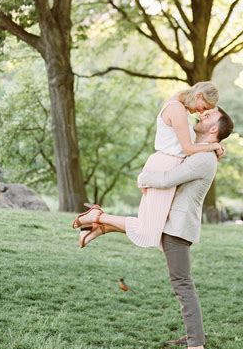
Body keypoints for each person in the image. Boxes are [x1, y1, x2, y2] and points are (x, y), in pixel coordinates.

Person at [73, 106, 234, 349]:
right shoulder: (202, 151)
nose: (200, 116)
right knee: (147, 234)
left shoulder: (203, 159)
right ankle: (100, 224)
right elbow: (183, 147)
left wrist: (143, 177)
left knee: (183, 284)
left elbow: (170, 178)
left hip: (178, 227)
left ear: (214, 129)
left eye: (207, 117)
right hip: (172, 222)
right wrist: (215, 148)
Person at [75, 81, 223, 249]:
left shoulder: (181, 108)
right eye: (204, 107)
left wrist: (210, 146)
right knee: (148, 230)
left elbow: (184, 145)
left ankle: (99, 228)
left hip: (168, 166)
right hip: (164, 167)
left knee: (154, 228)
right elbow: (188, 148)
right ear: (198, 96)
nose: (202, 112)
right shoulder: (176, 108)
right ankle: (98, 217)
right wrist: (213, 146)